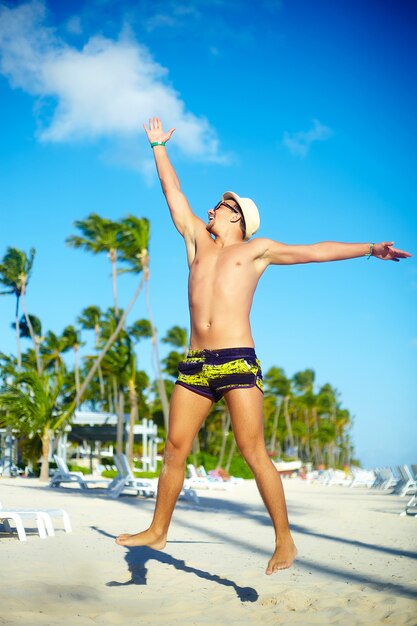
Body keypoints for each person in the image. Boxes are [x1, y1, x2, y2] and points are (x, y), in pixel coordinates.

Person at [116, 117, 411, 575]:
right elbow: (172, 192)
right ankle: (158, 528)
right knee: (175, 448)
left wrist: (370, 248)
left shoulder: (257, 251)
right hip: (195, 363)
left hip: (237, 360)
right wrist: (158, 147)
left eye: (219, 205)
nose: (211, 209)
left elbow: (315, 251)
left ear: (237, 215)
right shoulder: (197, 241)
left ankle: (285, 540)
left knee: (253, 450)